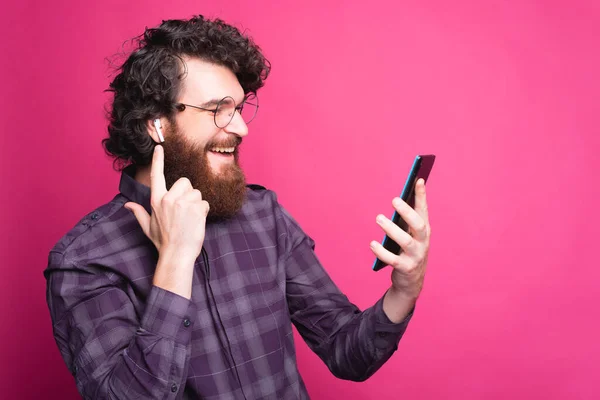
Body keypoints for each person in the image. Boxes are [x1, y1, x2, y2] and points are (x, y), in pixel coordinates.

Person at [44, 15, 432, 400]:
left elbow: (347, 354)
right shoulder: (84, 259)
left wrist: (404, 290)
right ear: (156, 123)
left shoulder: (265, 216)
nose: (242, 128)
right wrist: (176, 261)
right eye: (218, 109)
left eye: (240, 108)